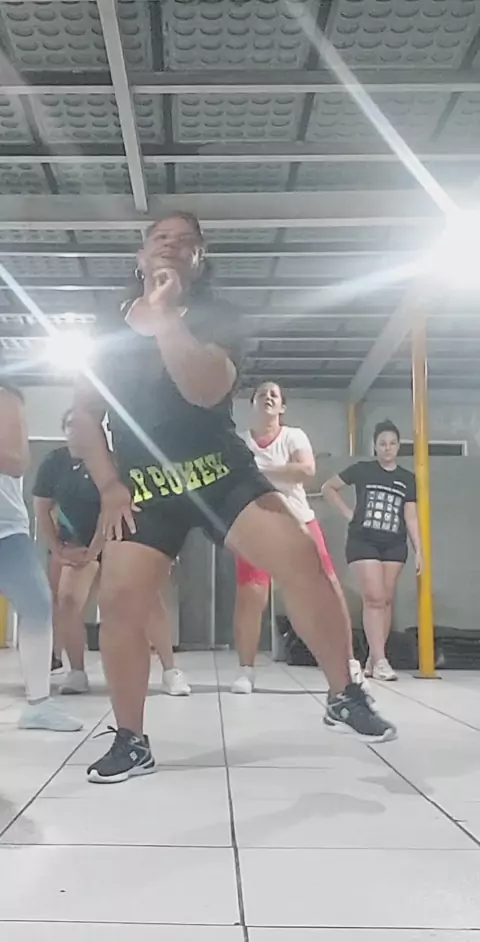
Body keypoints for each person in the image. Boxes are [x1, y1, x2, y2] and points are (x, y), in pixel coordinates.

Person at [72, 211, 397, 785]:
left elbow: (204, 390)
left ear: (200, 261)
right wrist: (109, 485)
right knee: (119, 603)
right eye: (160, 238)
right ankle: (130, 740)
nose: (171, 246)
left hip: (219, 474)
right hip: (147, 487)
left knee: (301, 559)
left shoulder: (218, 316)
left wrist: (166, 317)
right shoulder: (107, 325)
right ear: (141, 257)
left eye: (186, 242)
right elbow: (83, 416)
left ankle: (343, 693)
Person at [34, 409, 190, 696]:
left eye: (83, 425)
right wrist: (58, 549)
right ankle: (76, 671)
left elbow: (112, 506)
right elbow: (42, 509)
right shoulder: (55, 462)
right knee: (68, 599)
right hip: (78, 543)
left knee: (148, 601)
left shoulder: (114, 462)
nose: (76, 431)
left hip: (121, 537)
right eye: (70, 425)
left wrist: (95, 550)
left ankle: (170, 670)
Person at [232, 381, 365, 694]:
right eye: (261, 394)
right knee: (251, 595)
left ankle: (350, 664)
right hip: (255, 524)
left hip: (299, 520)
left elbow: (306, 470)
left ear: (282, 407)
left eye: (274, 395)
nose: (268, 397)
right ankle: (246, 671)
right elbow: (233, 476)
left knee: (328, 590)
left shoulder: (294, 436)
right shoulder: (240, 442)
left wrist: (258, 471)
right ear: (252, 405)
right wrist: (274, 471)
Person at [0, 383, 82, 731]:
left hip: (5, 528)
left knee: (36, 603)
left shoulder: (7, 397)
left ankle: (38, 704)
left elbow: (17, 462)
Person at [322, 419, 422, 681]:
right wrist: (350, 514)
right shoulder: (363, 470)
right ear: (375, 446)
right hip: (363, 541)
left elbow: (411, 517)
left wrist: (419, 550)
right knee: (374, 598)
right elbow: (328, 488)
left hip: (394, 544)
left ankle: (374, 658)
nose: (387, 448)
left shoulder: (407, 479)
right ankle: (381, 660)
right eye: (382, 443)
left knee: (385, 600)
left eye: (392, 443)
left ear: (398, 446)